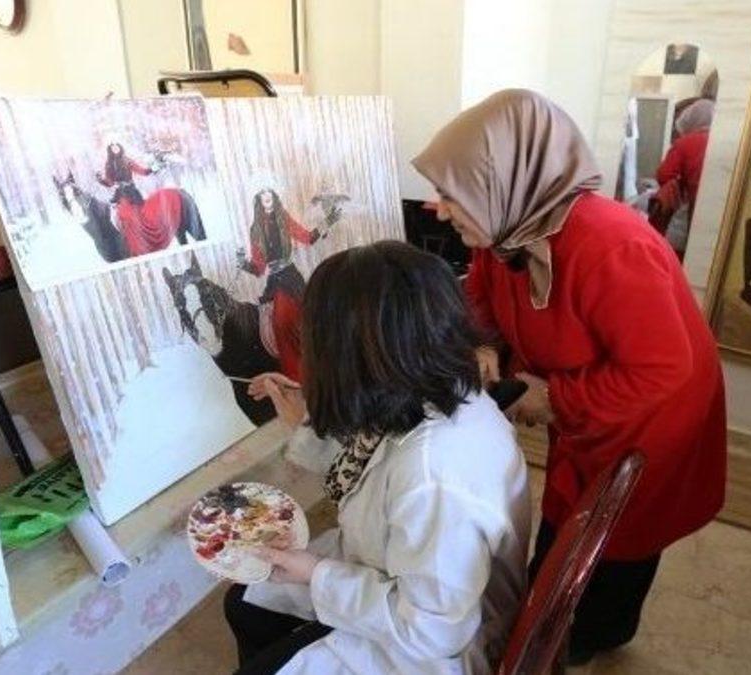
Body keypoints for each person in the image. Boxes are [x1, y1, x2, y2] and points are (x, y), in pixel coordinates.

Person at [413, 89, 726, 665]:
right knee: (566, 522)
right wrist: (484, 346)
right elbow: (482, 300)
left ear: (503, 181)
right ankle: (553, 623)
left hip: (652, 416)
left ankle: (583, 637)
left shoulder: (612, 244)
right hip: (589, 406)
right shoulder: (506, 228)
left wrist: (554, 397)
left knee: (617, 536)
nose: (440, 208)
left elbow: (662, 369)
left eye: (452, 194)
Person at [224, 241, 530, 674]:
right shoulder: (441, 391)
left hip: (431, 647)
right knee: (244, 602)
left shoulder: (433, 470)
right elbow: (373, 465)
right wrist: (314, 412)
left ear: (352, 356)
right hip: (403, 579)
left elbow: (432, 631)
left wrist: (315, 574)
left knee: (259, 617)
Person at [237, 189, 327, 381]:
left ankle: (315, 365)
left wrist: (326, 223)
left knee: (303, 318)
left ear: (275, 198)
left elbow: (307, 238)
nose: (267, 200)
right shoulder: (255, 229)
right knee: (277, 324)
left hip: (291, 278)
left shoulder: (284, 219)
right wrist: (242, 263)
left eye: (270, 196)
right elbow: (259, 268)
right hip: (274, 282)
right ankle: (294, 376)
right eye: (263, 197)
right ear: (259, 201)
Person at [655, 98, 715, 255]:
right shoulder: (725, 142)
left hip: (688, 211)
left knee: (674, 253)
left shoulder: (685, 143)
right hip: (715, 213)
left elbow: (664, 175)